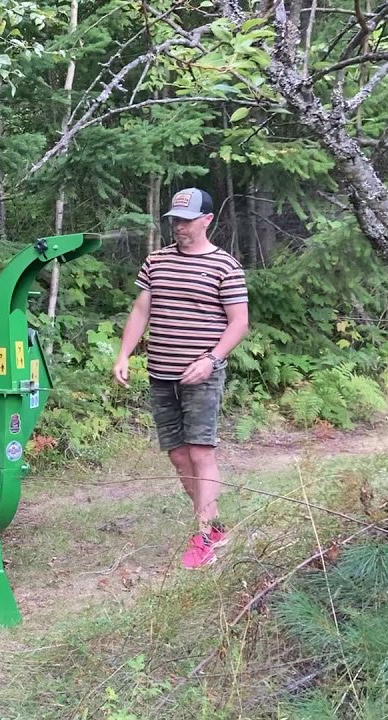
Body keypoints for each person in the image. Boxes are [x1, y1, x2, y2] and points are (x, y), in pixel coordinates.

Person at [113, 187, 250, 570]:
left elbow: (239, 322)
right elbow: (141, 310)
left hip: (202, 374)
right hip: (160, 372)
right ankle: (215, 526)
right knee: (177, 456)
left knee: (200, 451)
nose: (180, 227)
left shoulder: (225, 266)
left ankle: (203, 537)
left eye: (187, 220)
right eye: (175, 220)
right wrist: (124, 354)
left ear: (207, 220)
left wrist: (212, 359)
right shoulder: (156, 262)